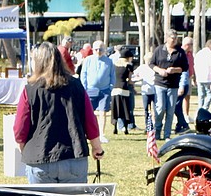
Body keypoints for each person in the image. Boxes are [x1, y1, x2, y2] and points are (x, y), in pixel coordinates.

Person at [14, 42, 104, 184]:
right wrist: (97, 147)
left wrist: (23, 148)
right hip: (73, 156)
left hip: (39, 159)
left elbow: (20, 128)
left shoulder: (30, 90)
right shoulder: (76, 86)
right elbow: (90, 120)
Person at [151, 29, 188, 140]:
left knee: (170, 110)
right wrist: (159, 70)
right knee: (160, 108)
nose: (174, 40)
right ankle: (157, 131)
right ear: (167, 38)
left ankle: (167, 134)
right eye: (172, 38)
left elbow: (185, 67)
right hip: (160, 83)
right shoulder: (159, 50)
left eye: (176, 38)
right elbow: (151, 63)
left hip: (173, 85)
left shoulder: (180, 52)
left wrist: (175, 70)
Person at [80, 40, 115, 144]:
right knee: (88, 113)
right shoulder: (88, 60)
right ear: (92, 50)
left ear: (104, 50)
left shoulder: (109, 61)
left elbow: (112, 75)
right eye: (96, 49)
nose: (98, 51)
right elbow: (84, 74)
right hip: (90, 90)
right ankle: (87, 133)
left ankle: (102, 134)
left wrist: (110, 87)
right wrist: (85, 88)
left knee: (102, 113)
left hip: (104, 90)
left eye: (101, 49)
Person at [111, 47, 136, 134]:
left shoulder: (114, 65)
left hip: (114, 89)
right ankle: (125, 128)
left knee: (116, 109)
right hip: (124, 88)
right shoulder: (129, 66)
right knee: (125, 109)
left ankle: (115, 127)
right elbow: (129, 80)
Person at [133, 52, 156, 132]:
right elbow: (133, 75)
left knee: (155, 109)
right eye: (147, 60)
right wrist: (138, 78)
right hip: (145, 91)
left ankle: (155, 125)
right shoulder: (142, 68)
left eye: (150, 60)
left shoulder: (154, 67)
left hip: (154, 91)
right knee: (146, 110)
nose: (148, 62)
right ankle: (148, 126)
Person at [193, 40, 211, 112]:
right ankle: (204, 108)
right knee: (210, 94)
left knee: (201, 95)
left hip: (199, 77)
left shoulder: (198, 53)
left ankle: (200, 109)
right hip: (208, 77)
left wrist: (195, 77)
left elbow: (195, 66)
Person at [181, 36, 195, 121]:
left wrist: (193, 76)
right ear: (187, 45)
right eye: (191, 44)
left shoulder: (190, 54)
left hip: (189, 77)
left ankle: (186, 114)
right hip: (181, 77)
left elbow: (192, 65)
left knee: (187, 96)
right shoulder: (180, 53)